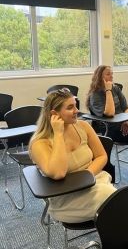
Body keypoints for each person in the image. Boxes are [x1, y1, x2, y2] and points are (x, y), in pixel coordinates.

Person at [29, 88, 116, 223]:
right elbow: (58, 173)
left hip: (94, 183)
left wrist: (86, 176)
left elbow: (101, 156)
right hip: (66, 198)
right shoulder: (39, 143)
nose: (77, 111)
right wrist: (58, 134)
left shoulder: (83, 126)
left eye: (75, 105)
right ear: (54, 114)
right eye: (70, 107)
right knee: (115, 203)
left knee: (118, 202)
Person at [86, 65, 128, 168]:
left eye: (112, 74)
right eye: (108, 74)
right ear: (99, 77)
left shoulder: (115, 88)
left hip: (125, 126)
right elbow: (110, 113)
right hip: (111, 130)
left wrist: (127, 120)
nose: (111, 77)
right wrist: (108, 91)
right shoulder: (95, 95)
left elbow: (126, 107)